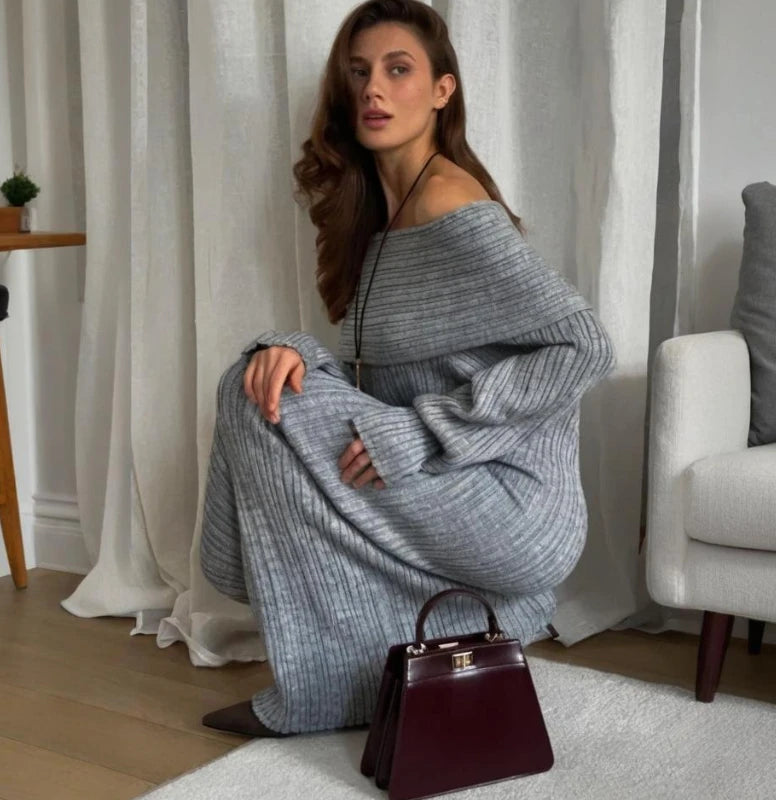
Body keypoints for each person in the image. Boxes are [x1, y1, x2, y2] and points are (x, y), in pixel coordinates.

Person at [200, 0, 615, 738]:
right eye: (360, 72)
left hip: (510, 499)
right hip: (454, 480)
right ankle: (368, 670)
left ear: (441, 91)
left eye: (398, 70)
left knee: (251, 394)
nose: (374, 89)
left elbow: (584, 344)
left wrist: (426, 432)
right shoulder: (383, 216)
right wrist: (296, 349)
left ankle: (328, 688)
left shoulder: (450, 203)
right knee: (262, 376)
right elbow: (377, 376)